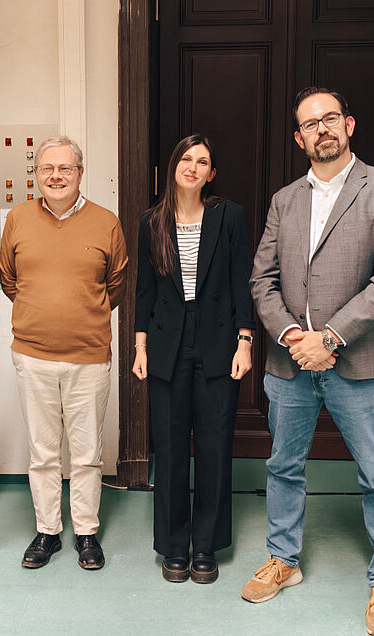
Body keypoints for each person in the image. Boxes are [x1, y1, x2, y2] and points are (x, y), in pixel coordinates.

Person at [245, 87, 374, 636]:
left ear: (349, 124)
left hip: (361, 362)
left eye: (330, 118)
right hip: (291, 362)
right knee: (283, 466)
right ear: (299, 139)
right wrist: (294, 334)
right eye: (309, 124)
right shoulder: (284, 199)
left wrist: (331, 337)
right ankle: (284, 560)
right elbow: (262, 279)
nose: (321, 129)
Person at [0, 135, 128, 570]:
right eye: (47, 169)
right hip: (33, 355)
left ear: (80, 173)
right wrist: (43, 313)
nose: (56, 176)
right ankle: (48, 531)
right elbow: (9, 279)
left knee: (87, 454)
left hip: (89, 357)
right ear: (36, 173)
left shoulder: (106, 222)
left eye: (65, 168)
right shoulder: (18, 219)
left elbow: (116, 285)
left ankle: (86, 533)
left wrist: (80, 313)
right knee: (43, 453)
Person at [132, 134, 255, 584]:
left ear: (211, 174)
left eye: (202, 162)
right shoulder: (152, 222)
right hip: (166, 343)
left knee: (213, 445)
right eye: (186, 159)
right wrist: (140, 348)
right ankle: (173, 545)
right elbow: (144, 290)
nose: (193, 167)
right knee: (168, 447)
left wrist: (245, 341)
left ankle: (205, 544)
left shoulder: (229, 217)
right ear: (174, 167)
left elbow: (242, 281)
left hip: (219, 341)